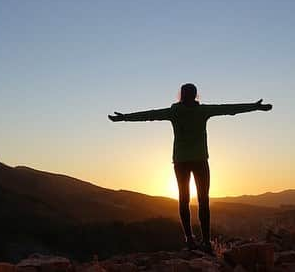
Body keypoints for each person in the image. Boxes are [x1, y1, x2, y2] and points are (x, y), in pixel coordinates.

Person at [108, 83, 272, 253]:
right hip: (199, 161)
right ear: (195, 95)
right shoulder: (200, 111)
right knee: (202, 200)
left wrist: (124, 117)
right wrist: (255, 107)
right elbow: (228, 109)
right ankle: (205, 241)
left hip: (181, 162)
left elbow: (149, 115)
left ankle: (191, 238)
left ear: (182, 95)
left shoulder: (175, 112)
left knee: (184, 199)